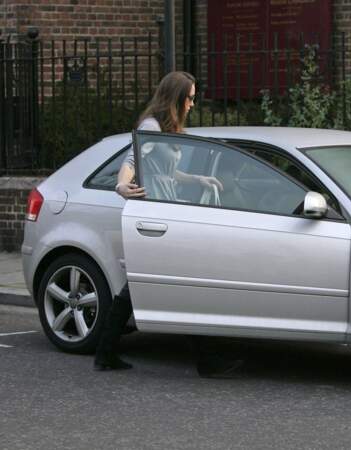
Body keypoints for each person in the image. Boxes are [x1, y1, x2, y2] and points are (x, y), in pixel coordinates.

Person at [94, 71, 242, 377]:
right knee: (184, 286)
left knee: (136, 288)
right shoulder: (150, 126)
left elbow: (166, 171)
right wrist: (122, 186)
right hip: (156, 214)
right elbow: (132, 162)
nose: (192, 103)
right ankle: (207, 360)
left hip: (165, 210)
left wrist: (196, 178)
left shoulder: (166, 127)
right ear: (175, 97)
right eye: (189, 97)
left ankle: (105, 353)